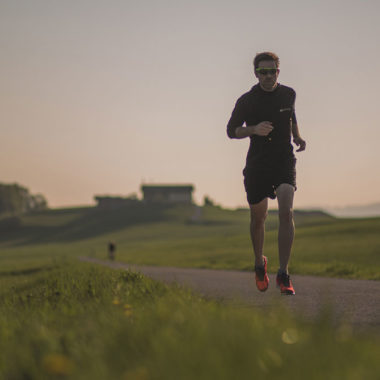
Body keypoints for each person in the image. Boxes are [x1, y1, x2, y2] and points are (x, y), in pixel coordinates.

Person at [226, 52, 306, 295]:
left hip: (283, 159)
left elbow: (291, 116)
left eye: (273, 71)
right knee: (258, 218)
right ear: (256, 74)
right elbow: (231, 131)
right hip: (258, 163)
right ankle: (260, 263)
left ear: (278, 72)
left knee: (286, 211)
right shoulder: (246, 101)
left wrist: (297, 136)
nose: (269, 76)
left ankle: (284, 273)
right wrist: (253, 129)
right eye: (264, 72)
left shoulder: (288, 93)